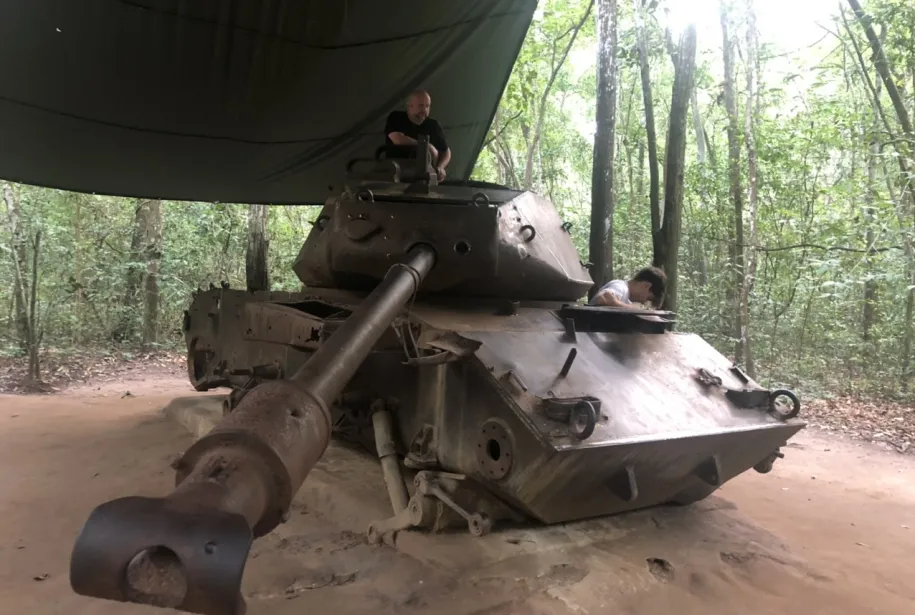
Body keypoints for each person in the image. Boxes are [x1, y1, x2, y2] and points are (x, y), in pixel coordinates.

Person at [384, 89, 451, 182]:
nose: (424, 110)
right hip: (396, 171)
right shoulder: (396, 118)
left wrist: (441, 167)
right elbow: (397, 139)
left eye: (427, 106)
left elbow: (446, 151)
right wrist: (426, 147)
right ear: (410, 106)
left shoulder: (433, 125)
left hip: (423, 176)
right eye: (421, 106)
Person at [589, 266, 667, 309]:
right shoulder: (621, 287)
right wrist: (632, 308)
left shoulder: (626, 297)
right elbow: (603, 297)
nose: (643, 301)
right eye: (648, 298)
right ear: (646, 286)